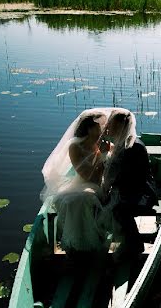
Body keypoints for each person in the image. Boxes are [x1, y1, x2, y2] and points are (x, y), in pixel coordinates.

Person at [40, 108, 115, 254]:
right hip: (83, 183)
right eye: (100, 126)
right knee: (78, 199)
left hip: (101, 184)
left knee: (84, 198)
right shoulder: (75, 146)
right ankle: (77, 244)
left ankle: (90, 242)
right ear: (89, 128)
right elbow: (87, 176)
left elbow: (103, 174)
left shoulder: (105, 145)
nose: (104, 129)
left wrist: (105, 153)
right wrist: (103, 156)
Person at [100, 108, 158, 259]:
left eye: (110, 125)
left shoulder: (133, 147)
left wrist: (108, 190)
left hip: (141, 192)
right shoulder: (123, 142)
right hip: (130, 187)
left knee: (118, 208)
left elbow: (129, 178)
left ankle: (135, 245)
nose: (107, 128)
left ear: (120, 126)